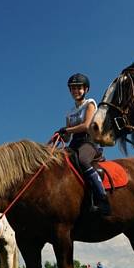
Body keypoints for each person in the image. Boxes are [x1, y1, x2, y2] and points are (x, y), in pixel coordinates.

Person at [56, 73, 111, 216]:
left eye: (79, 88)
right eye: (73, 89)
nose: (76, 91)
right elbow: (68, 138)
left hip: (88, 141)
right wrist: (62, 134)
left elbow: (87, 125)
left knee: (83, 160)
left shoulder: (90, 103)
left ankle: (102, 199)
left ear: (86, 89)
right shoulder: (69, 113)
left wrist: (67, 129)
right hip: (74, 143)